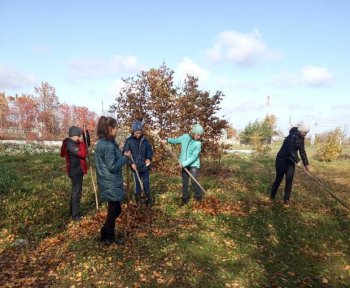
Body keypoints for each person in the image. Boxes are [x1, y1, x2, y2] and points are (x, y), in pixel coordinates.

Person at [94, 116, 131, 245]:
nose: (117, 130)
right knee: (115, 209)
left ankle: (105, 232)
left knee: (114, 209)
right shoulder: (108, 145)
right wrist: (125, 158)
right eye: (115, 128)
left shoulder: (103, 143)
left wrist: (121, 153)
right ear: (110, 128)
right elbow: (113, 166)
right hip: (111, 182)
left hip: (107, 181)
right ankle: (108, 236)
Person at [161, 123, 204, 206]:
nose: (199, 137)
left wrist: (183, 164)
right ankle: (184, 199)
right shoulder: (185, 137)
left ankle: (199, 196)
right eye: (198, 135)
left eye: (200, 136)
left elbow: (194, 157)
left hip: (193, 164)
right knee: (185, 182)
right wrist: (166, 140)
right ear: (193, 133)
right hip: (183, 164)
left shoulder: (198, 144)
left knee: (193, 181)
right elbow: (175, 140)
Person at [270, 121, 311, 206]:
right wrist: (297, 160)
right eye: (305, 132)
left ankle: (286, 199)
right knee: (279, 179)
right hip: (281, 160)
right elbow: (290, 150)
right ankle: (272, 196)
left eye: (307, 132)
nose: (306, 134)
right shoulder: (292, 136)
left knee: (289, 180)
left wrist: (306, 163)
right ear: (300, 130)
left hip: (290, 161)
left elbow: (302, 150)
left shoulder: (301, 137)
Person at [123, 120, 153, 206]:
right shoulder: (129, 141)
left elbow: (149, 151)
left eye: (140, 133)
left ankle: (147, 198)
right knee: (137, 184)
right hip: (135, 166)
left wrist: (148, 158)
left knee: (146, 182)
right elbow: (125, 153)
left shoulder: (145, 140)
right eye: (136, 133)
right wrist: (130, 163)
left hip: (144, 166)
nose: (138, 135)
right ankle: (138, 199)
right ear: (133, 132)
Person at [60, 126, 87, 221]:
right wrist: (83, 143)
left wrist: (85, 135)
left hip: (76, 171)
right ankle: (75, 215)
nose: (79, 138)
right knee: (77, 193)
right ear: (74, 135)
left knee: (75, 191)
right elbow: (82, 154)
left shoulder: (71, 143)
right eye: (79, 136)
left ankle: (72, 211)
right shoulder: (70, 145)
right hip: (75, 171)